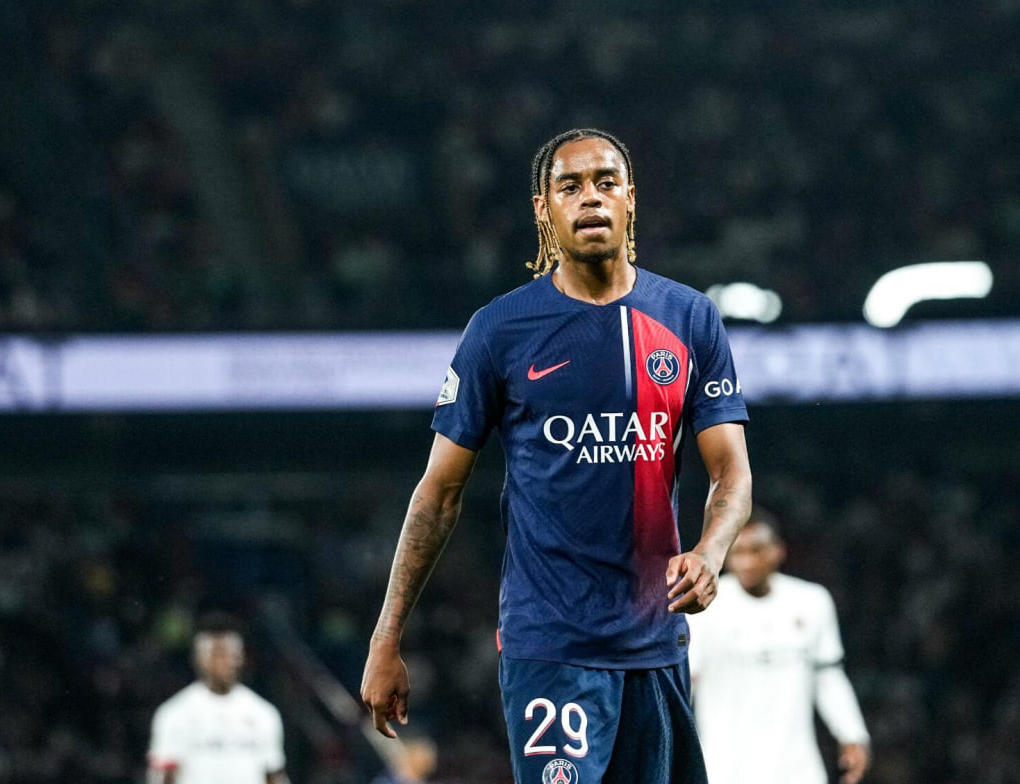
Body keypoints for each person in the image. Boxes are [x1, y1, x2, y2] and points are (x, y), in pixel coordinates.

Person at [360, 128, 753, 784]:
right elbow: (438, 493)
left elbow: (731, 472)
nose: (590, 197)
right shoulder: (500, 330)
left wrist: (711, 554)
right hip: (551, 647)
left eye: (606, 182)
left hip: (657, 646)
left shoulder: (689, 318)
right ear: (544, 209)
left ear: (631, 198)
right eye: (570, 186)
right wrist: (386, 636)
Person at [687, 512, 871, 784]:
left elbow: (828, 677)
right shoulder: (704, 608)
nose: (747, 561)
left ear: (777, 550)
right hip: (724, 769)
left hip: (797, 770)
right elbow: (685, 685)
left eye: (756, 550)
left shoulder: (812, 602)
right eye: (738, 552)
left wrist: (852, 734)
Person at [147, 612, 291, 784]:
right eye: (217, 653)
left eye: (231, 654)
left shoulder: (262, 713)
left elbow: (273, 774)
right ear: (199, 658)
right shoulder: (175, 713)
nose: (225, 661)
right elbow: (162, 775)